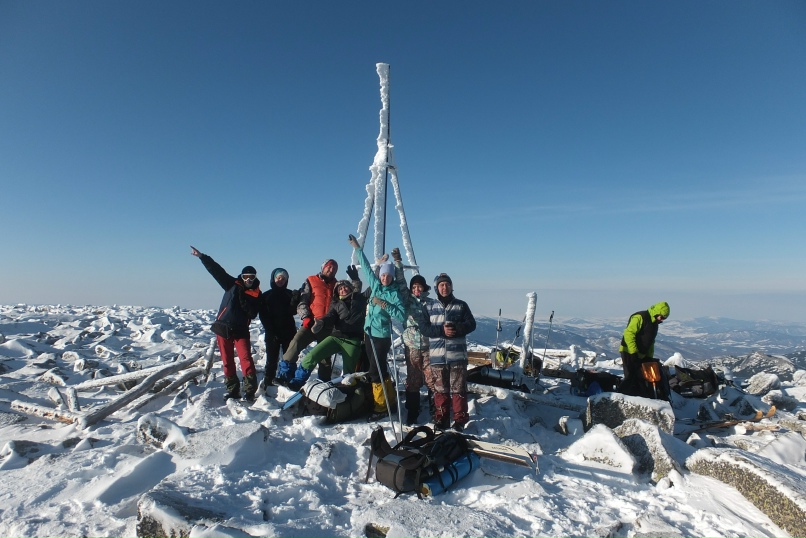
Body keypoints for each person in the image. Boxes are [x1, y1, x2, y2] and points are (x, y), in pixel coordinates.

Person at [190, 245, 261, 401]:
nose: (248, 279)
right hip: (223, 328)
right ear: (242, 276)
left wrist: (243, 299)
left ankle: (249, 390)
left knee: (246, 359)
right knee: (227, 361)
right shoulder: (231, 285)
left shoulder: (256, 294)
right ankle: (233, 390)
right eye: (246, 276)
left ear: (255, 278)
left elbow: (253, 313)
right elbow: (217, 271)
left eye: (251, 277)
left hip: (241, 330)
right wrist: (202, 257)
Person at [349, 234, 406, 417]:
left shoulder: (393, 294)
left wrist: (384, 305)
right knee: (380, 369)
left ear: (391, 277)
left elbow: (401, 314)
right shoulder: (375, 286)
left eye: (388, 276)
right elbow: (366, 267)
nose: (385, 278)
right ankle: (389, 399)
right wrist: (357, 248)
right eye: (383, 275)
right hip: (369, 333)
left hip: (381, 336)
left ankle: (380, 407)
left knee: (375, 371)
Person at [417, 273, 476, 431]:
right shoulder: (428, 307)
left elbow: (471, 324)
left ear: (451, 286)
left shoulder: (461, 305)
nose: (445, 287)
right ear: (437, 288)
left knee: (459, 390)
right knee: (440, 390)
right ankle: (442, 418)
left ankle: (459, 420)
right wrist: (441, 331)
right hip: (437, 357)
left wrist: (456, 329)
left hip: (457, 356)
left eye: (447, 284)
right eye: (441, 285)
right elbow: (423, 328)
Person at [287, 278, 367, 390]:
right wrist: (322, 322)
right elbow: (330, 316)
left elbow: (374, 286)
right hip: (335, 338)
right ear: (337, 292)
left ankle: (348, 393)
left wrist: (379, 269)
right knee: (312, 356)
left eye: (345, 287)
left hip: (353, 340)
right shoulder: (336, 304)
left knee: (349, 372)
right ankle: (297, 382)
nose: (343, 289)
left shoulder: (360, 299)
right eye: (340, 288)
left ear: (350, 288)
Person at [276, 259, 339, 385]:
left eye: (334, 268)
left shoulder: (337, 285)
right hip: (311, 322)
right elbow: (302, 301)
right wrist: (305, 317)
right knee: (295, 344)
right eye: (329, 267)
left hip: (327, 326)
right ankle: (285, 375)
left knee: (325, 357)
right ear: (323, 267)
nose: (331, 270)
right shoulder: (311, 280)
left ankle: (323, 382)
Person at [390, 247, 432, 425]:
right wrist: (398, 262)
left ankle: (435, 409)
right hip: (412, 346)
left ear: (424, 287)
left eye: (419, 286)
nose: (416, 289)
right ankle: (412, 412)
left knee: (432, 379)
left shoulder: (431, 303)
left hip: (430, 347)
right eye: (414, 286)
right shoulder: (407, 300)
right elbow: (400, 282)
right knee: (413, 380)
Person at [618, 301, 671, 397]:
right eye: (662, 317)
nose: (662, 320)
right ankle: (620, 396)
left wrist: (649, 357)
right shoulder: (640, 317)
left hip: (641, 354)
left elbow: (650, 342)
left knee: (640, 377)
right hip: (628, 351)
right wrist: (633, 352)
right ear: (657, 312)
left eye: (664, 318)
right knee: (630, 376)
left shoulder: (654, 323)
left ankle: (638, 397)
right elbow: (629, 334)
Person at [258, 268, 298, 388]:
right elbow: (263, 315)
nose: (280, 280)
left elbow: (294, 312)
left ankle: (287, 380)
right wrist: (270, 330)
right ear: (273, 279)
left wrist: (295, 300)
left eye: (283, 278)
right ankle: (268, 382)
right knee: (271, 360)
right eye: (278, 278)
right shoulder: (266, 296)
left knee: (289, 359)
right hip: (272, 332)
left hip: (289, 331)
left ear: (286, 280)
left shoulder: (290, 294)